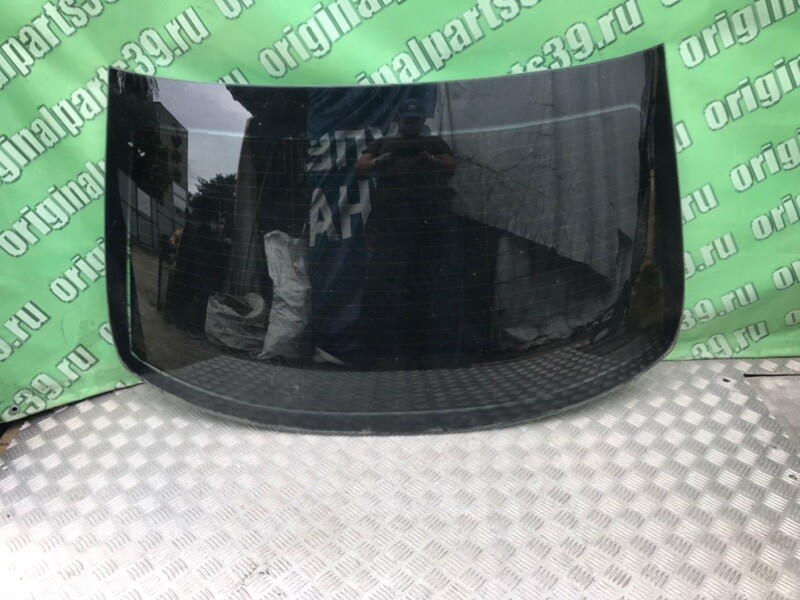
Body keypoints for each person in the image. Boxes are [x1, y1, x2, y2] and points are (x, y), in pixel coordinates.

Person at [355, 98, 457, 368]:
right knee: (380, 287)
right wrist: (381, 160)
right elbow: (361, 167)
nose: (411, 125)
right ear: (398, 121)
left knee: (419, 288)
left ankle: (416, 355)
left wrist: (431, 160)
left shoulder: (433, 142)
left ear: (422, 121)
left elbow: (451, 165)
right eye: (407, 120)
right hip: (390, 224)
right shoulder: (384, 144)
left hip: (424, 223)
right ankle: (375, 356)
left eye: (415, 120)